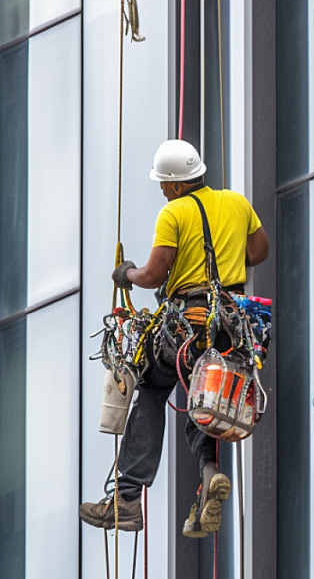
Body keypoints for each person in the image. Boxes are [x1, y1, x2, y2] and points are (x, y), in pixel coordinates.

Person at [79, 139, 269, 537]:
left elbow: (154, 276)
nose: (162, 190)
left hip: (190, 322)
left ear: (178, 185)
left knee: (151, 388)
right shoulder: (237, 203)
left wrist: (126, 274)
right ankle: (209, 474)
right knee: (204, 394)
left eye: (164, 184)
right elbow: (259, 251)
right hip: (232, 324)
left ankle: (127, 500)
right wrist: (228, 254)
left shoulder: (174, 212)